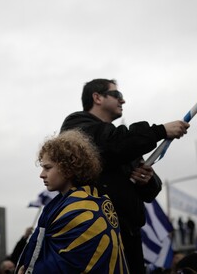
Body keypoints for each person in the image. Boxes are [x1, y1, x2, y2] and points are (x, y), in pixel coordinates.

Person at [60, 78, 189, 272]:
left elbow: (152, 188)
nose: (123, 101)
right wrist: (160, 131)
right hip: (95, 232)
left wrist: (146, 181)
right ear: (97, 97)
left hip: (127, 234)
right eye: (117, 95)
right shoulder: (77, 125)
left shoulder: (124, 142)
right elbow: (111, 145)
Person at [17, 130, 129, 273]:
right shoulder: (62, 205)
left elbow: (62, 266)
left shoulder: (79, 209)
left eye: (48, 168)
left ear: (68, 168)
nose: (42, 175)